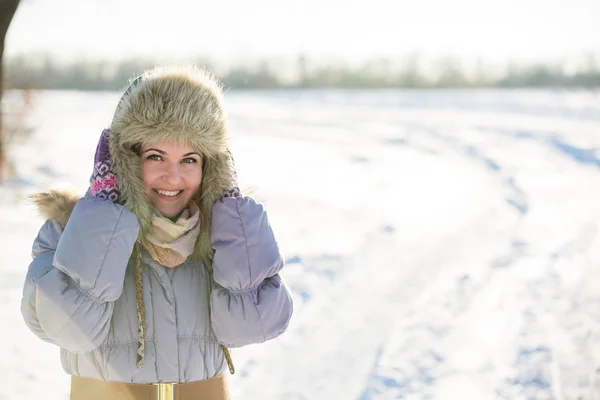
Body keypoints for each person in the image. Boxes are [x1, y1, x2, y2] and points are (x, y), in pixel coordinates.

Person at [21, 66, 294, 400]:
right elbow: (67, 328)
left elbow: (253, 325)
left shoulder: (224, 238)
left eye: (190, 159)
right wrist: (102, 219)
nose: (173, 177)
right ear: (125, 160)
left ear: (212, 167)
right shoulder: (68, 230)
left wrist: (233, 218)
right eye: (156, 156)